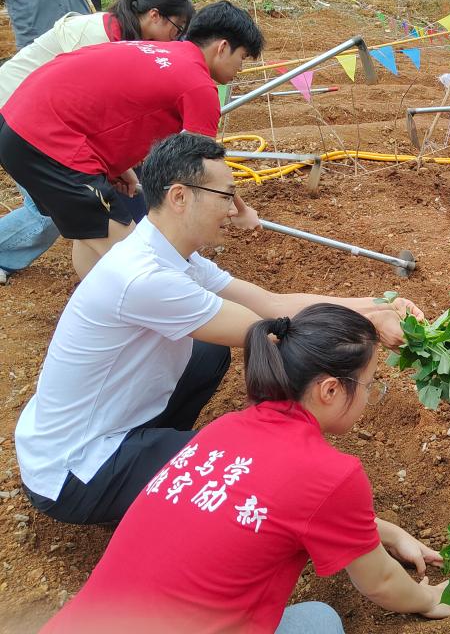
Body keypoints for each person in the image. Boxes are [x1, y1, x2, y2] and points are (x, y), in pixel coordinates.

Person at [14, 133, 425, 527]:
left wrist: (378, 305)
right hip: (74, 471)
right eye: (226, 196)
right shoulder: (145, 278)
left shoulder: (169, 254)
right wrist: (371, 324)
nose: (233, 209)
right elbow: (273, 329)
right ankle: (144, 490)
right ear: (180, 197)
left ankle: (153, 463)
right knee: (241, 464)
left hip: (89, 433)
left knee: (207, 354)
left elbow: (271, 302)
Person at [38, 303, 450, 634]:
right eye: (369, 385)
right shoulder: (332, 472)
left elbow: (265, 504)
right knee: (319, 622)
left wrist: (386, 533)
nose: (370, 396)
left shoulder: (224, 429)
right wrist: (428, 599)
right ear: (330, 390)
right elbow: (381, 583)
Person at [0, 0, 260, 279]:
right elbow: (204, 169)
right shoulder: (199, 85)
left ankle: (97, 301)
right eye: (242, 57)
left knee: (93, 236)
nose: (240, 68)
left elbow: (107, 104)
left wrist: (115, 165)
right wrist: (241, 210)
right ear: (222, 47)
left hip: (16, 124)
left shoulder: (155, 50)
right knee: (139, 262)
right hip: (49, 142)